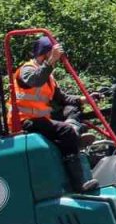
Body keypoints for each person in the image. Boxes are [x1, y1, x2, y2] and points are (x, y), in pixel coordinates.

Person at [12, 36, 97, 192]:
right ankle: (79, 184)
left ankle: (74, 130)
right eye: (53, 55)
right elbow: (34, 81)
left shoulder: (48, 76)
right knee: (64, 131)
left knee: (72, 108)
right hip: (27, 121)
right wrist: (50, 62)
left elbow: (63, 98)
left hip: (42, 119)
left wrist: (87, 99)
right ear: (45, 54)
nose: (56, 59)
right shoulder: (26, 69)